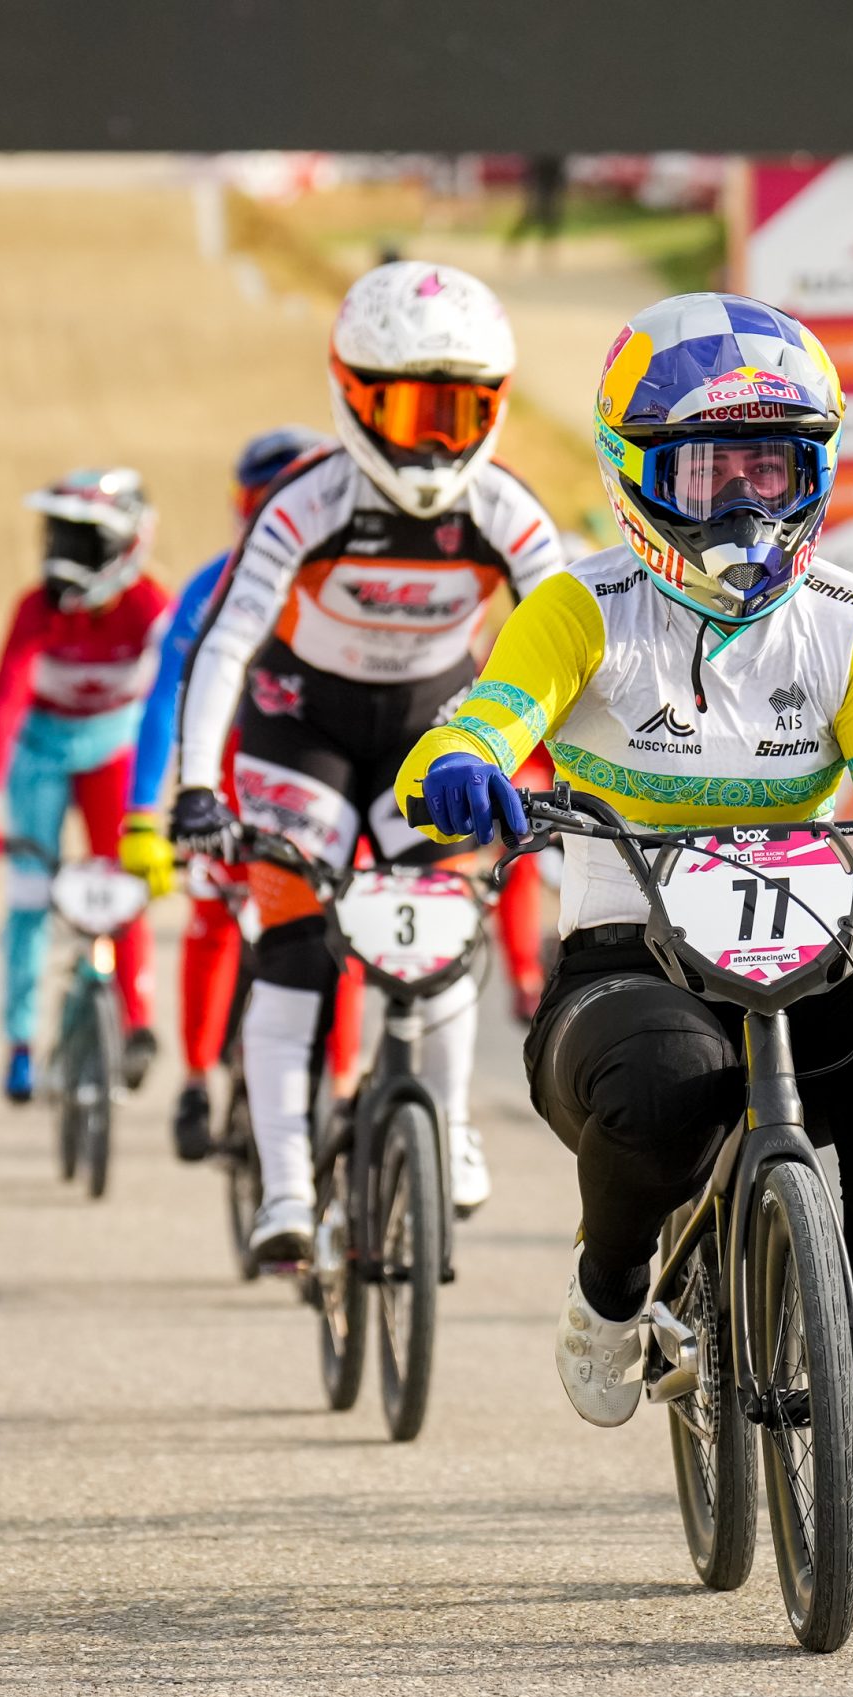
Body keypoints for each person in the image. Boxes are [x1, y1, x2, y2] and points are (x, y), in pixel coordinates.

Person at [391, 291, 853, 1427]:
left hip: (806, 947)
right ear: (635, 475)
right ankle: (605, 1296)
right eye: (712, 477)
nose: (749, 509)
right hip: (628, 958)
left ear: (816, 474)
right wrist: (463, 766)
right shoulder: (578, 608)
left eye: (776, 472)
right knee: (670, 1090)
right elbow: (475, 728)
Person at [168, 260, 567, 1263]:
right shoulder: (305, 503)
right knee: (294, 948)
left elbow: (576, 652)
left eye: (459, 411)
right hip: (300, 726)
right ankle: (288, 1189)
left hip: (432, 735)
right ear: (352, 397)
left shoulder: (508, 512)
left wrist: (602, 781)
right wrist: (196, 789)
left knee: (441, 945)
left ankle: (453, 1124)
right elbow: (224, 642)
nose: (435, 438)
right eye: (408, 407)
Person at [115, 425, 364, 1163]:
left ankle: (344, 1090)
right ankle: (195, 1077)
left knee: (340, 925)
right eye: (252, 505)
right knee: (215, 910)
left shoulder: (353, 579)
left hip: (321, 770)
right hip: (229, 772)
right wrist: (144, 809)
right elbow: (166, 700)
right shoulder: (210, 587)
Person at [0, 469, 170, 1105]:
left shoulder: (149, 609)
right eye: (56, 538)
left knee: (122, 887)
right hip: (41, 754)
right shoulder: (36, 608)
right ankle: (20, 1045)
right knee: (28, 892)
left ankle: (135, 1022)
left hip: (113, 752)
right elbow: (3, 702)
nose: (60, 557)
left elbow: (173, 700)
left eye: (79, 542)